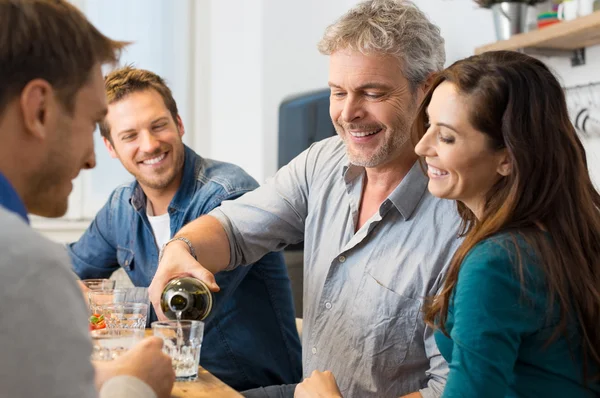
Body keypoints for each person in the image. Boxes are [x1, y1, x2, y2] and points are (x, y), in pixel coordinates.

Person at [150, 1, 462, 397]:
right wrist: (182, 248)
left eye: (372, 92)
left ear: (428, 89)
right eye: (338, 92)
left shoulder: (459, 217)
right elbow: (233, 229)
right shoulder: (322, 162)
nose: (348, 113)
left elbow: (449, 389)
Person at [298, 50, 600, 397]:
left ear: (507, 157)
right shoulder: (563, 234)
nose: (423, 145)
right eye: (427, 125)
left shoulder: (497, 263)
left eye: (446, 137)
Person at [67, 66, 302, 391]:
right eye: (130, 136)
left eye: (158, 126)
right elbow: (69, 271)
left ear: (178, 124)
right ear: (110, 147)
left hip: (245, 389)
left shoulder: (227, 194)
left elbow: (180, 310)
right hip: (174, 382)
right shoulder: (120, 207)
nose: (149, 145)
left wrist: (98, 300)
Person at [0, 1, 175, 397]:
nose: (92, 158)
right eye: (93, 122)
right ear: (39, 110)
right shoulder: (24, 267)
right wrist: (135, 384)